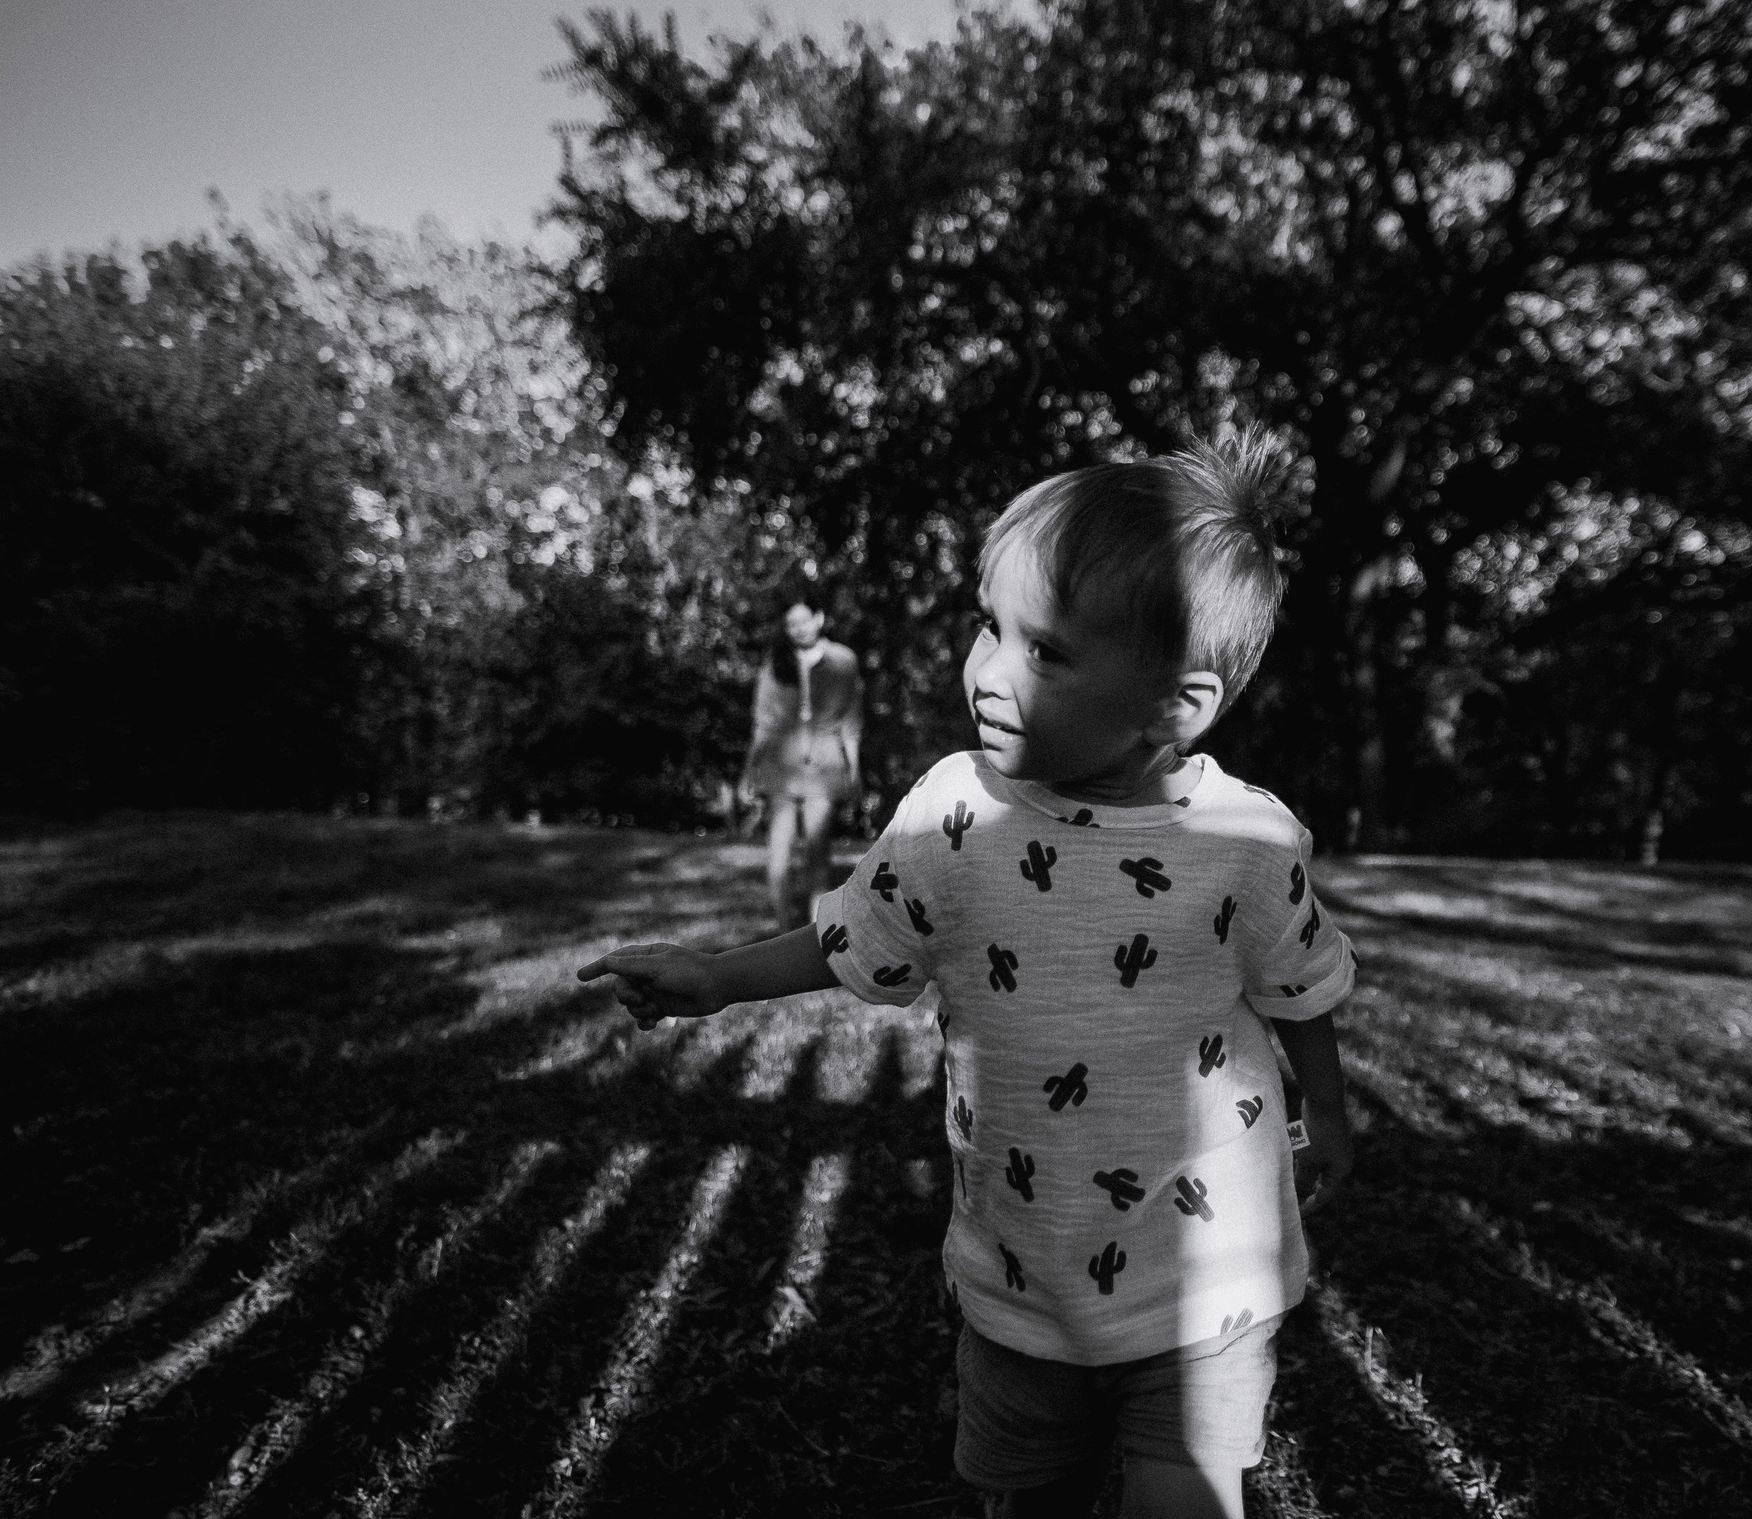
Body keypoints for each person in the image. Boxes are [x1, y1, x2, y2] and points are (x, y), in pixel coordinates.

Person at [578, 434, 1355, 1519]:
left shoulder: (1245, 838)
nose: (987, 670)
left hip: (1209, 1271)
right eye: (990, 625)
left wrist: (1328, 1103)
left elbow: (1299, 984)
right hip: (1021, 1273)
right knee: (1026, 1494)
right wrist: (719, 974)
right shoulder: (955, 812)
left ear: (1176, 706)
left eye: (1045, 651)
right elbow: (857, 932)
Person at [740, 584, 862, 931]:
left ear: (819, 618)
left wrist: (854, 768)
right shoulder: (774, 664)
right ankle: (782, 929)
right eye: (791, 623)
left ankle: (814, 933)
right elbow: (762, 722)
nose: (799, 629)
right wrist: (748, 771)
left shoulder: (843, 661)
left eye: (804, 621)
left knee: (817, 854)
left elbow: (851, 723)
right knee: (778, 852)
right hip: (780, 764)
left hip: (824, 767)